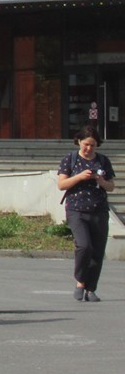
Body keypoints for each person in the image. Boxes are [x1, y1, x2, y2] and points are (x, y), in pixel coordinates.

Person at [57, 124, 116, 302]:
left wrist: (101, 180)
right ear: (79, 142)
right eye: (86, 144)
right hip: (77, 209)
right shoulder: (71, 159)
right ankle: (80, 280)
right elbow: (61, 185)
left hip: (99, 210)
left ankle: (90, 289)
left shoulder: (103, 161)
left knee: (97, 251)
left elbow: (111, 187)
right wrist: (80, 177)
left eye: (93, 145)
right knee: (84, 246)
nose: (89, 148)